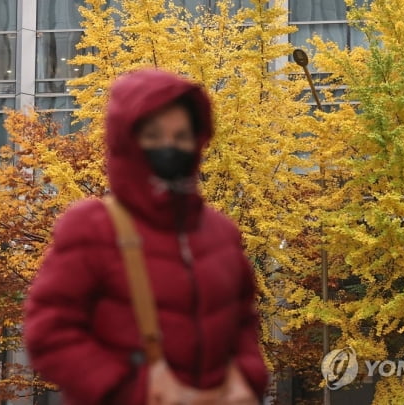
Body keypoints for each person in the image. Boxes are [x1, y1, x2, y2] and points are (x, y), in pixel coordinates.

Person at [23, 69, 270, 405]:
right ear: (127, 141)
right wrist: (133, 390)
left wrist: (246, 378)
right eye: (153, 135)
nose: (170, 146)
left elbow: (243, 321)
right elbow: (49, 333)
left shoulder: (220, 231)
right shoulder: (92, 226)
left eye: (182, 136)